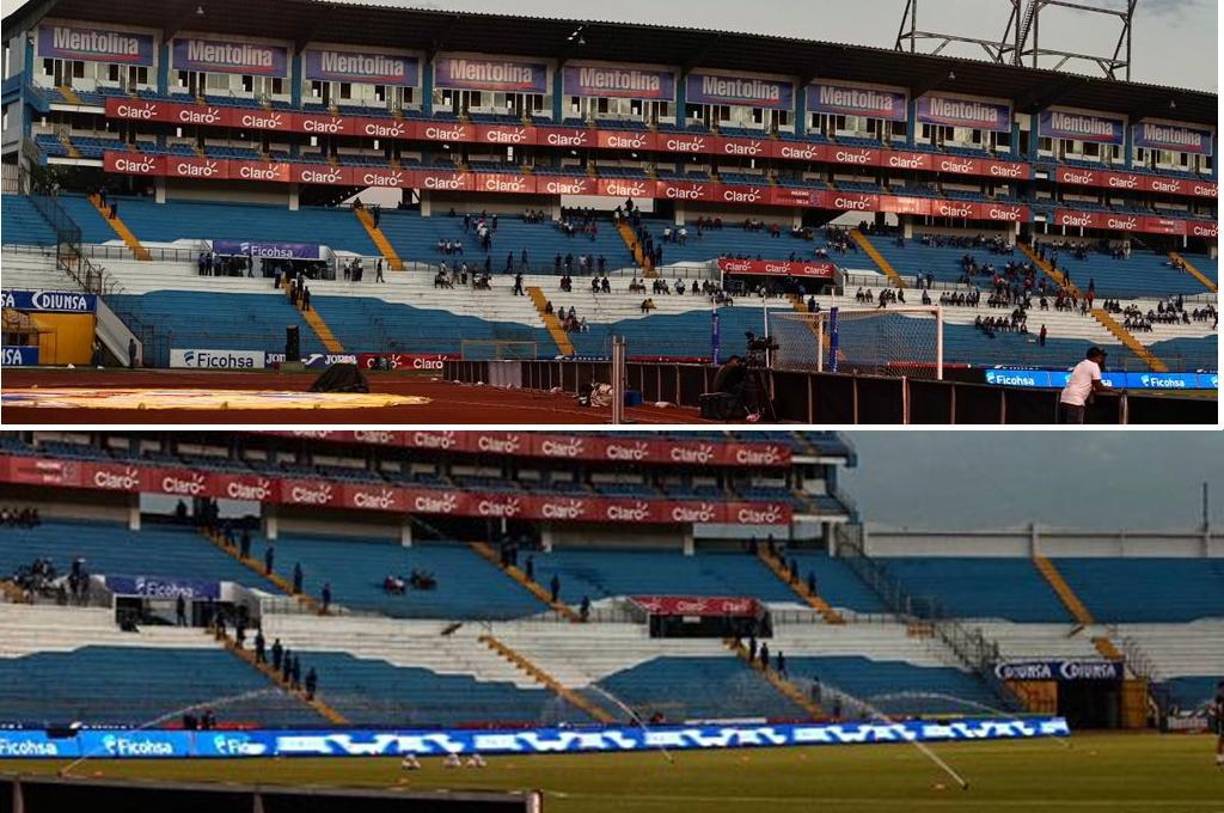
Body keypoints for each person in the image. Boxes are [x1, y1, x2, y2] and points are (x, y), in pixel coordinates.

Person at [1058, 347, 1108, 424]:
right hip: (1075, 402)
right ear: (1096, 357)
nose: (1101, 360)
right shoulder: (1094, 365)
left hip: (1064, 399)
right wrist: (1112, 390)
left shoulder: (1081, 364)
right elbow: (1098, 386)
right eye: (1100, 357)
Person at [1213, 680, 1224, 767]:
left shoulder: (1219, 697)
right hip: (1223, 720)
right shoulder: (1219, 697)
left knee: (1221, 739)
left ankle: (1219, 759)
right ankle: (1219, 759)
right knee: (1221, 739)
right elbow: (1215, 709)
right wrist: (1219, 717)